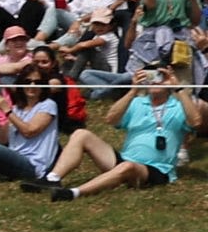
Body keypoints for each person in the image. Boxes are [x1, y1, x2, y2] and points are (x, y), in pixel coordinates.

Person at [53, 68, 205, 200]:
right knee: (81, 134)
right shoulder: (137, 102)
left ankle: (74, 193)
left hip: (156, 169)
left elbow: (196, 122)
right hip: (124, 159)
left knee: (128, 167)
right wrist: (132, 91)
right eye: (151, 77)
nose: (155, 81)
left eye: (160, 77)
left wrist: (178, 88)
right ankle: (52, 178)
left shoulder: (178, 107)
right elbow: (111, 119)